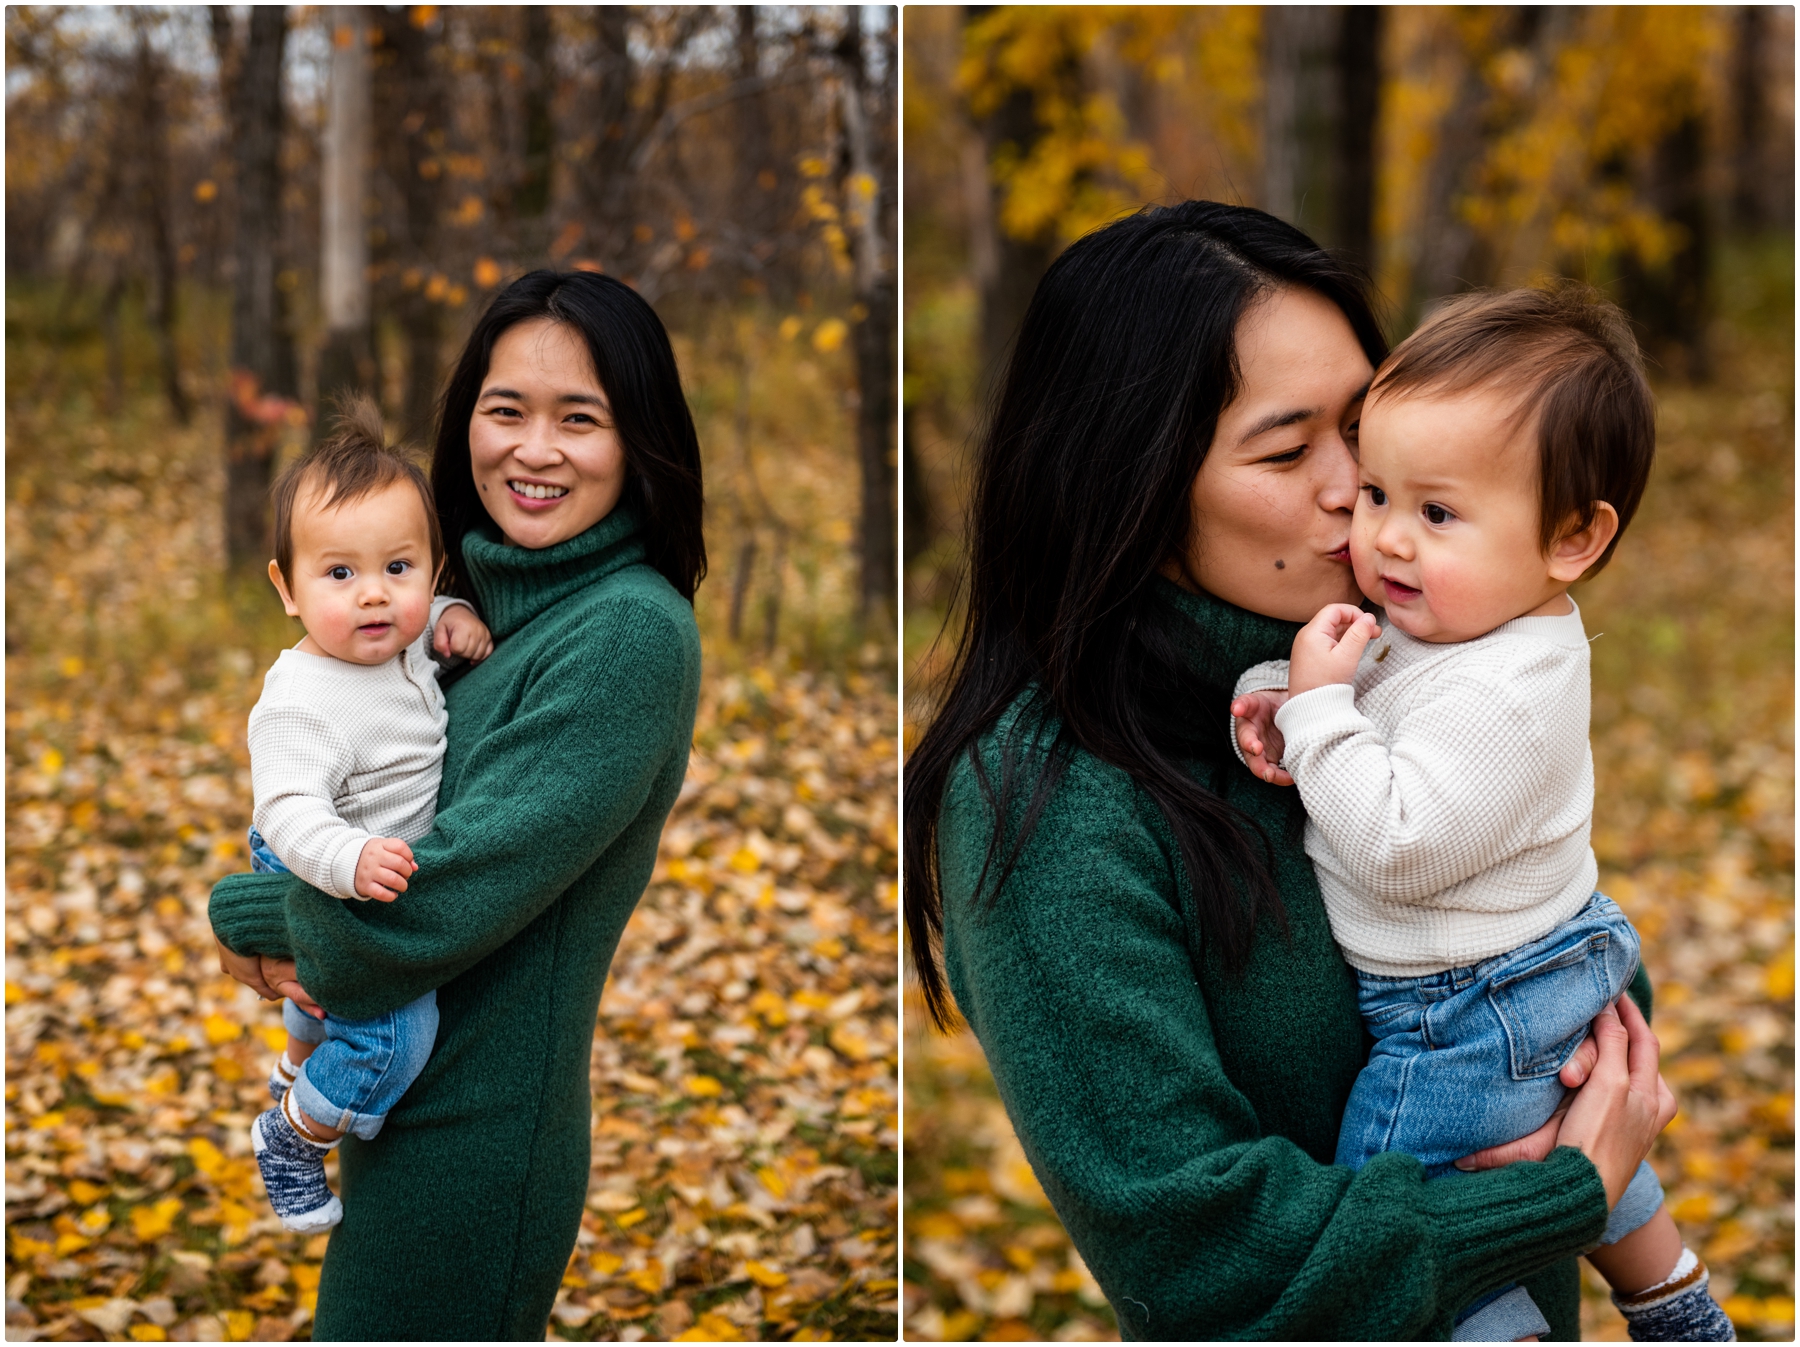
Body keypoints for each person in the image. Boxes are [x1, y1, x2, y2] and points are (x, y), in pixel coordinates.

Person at [903, 201, 1676, 1341]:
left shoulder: (1413, 659)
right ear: (1131, 479)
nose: (1353, 491)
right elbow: (1202, 1254)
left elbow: (1562, 979)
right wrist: (1560, 1195)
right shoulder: (1049, 800)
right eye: (1284, 449)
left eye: (1362, 427)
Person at [1229, 286, 1733, 1341]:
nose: (1383, 541)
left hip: (1460, 1014)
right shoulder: (1472, 621)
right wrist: (1298, 692)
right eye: (1377, 494)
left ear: (1572, 539)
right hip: (1532, 975)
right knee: (1562, 1138)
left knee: (1397, 1210)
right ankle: (1676, 1298)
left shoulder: (1510, 691)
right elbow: (1395, 692)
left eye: (1437, 513)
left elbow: (1397, 842)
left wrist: (1321, 714)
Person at [210, 269, 705, 1340]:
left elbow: (433, 902)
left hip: (478, 1138)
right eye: (504, 410)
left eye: (581, 417)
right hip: (398, 1100)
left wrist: (250, 911)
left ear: (640, 441)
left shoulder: (625, 635)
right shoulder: (451, 620)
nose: (534, 449)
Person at [243, 397, 494, 1234]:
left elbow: (427, 626)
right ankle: (293, 1133)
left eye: (400, 568)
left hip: (357, 855)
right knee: (396, 1030)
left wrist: (451, 618)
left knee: (320, 1006)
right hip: (317, 856)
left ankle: (300, 1062)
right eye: (340, 574)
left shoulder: (399, 636)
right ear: (287, 587)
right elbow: (286, 809)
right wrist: (345, 860)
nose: (375, 597)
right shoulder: (304, 699)